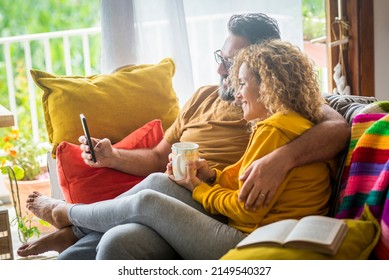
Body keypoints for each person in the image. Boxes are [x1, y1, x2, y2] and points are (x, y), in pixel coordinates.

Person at [40, 13, 348, 260]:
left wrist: (282, 159)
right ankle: (74, 235)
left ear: (264, 69)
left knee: (144, 205)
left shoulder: (280, 108)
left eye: (232, 63)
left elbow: (338, 128)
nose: (219, 70)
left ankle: (72, 220)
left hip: (224, 214)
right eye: (222, 57)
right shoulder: (203, 96)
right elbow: (158, 158)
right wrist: (112, 156)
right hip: (202, 193)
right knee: (120, 237)